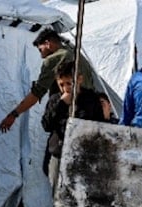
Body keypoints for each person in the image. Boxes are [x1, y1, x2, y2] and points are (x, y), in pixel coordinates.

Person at [0, 27, 97, 134]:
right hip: (91, 114)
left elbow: (37, 93)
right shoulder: (77, 54)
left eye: (41, 50)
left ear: (47, 43)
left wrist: (13, 114)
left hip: (68, 118)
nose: (41, 56)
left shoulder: (54, 59)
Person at [40, 59, 109, 193]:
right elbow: (46, 125)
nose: (66, 88)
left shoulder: (90, 98)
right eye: (61, 84)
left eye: (69, 83)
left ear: (79, 79)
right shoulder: (55, 100)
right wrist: (61, 105)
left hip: (83, 155)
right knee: (58, 196)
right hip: (59, 153)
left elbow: (99, 126)